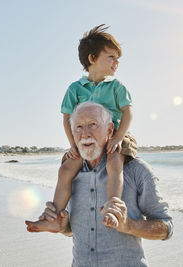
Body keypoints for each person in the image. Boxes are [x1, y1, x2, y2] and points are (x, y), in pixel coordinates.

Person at [25, 102, 173, 266]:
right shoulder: (69, 174)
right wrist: (62, 226)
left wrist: (129, 225)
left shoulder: (137, 170)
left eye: (93, 125)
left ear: (110, 130)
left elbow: (166, 228)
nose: (85, 134)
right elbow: (71, 231)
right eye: (79, 127)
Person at [27, 24, 136, 230]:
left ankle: (113, 207)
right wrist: (73, 145)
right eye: (111, 57)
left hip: (116, 135)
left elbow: (128, 113)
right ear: (92, 59)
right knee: (66, 169)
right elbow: (67, 118)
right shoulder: (75, 89)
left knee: (114, 163)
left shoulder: (116, 87)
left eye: (118, 59)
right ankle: (53, 218)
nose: (116, 62)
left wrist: (118, 138)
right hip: (85, 139)